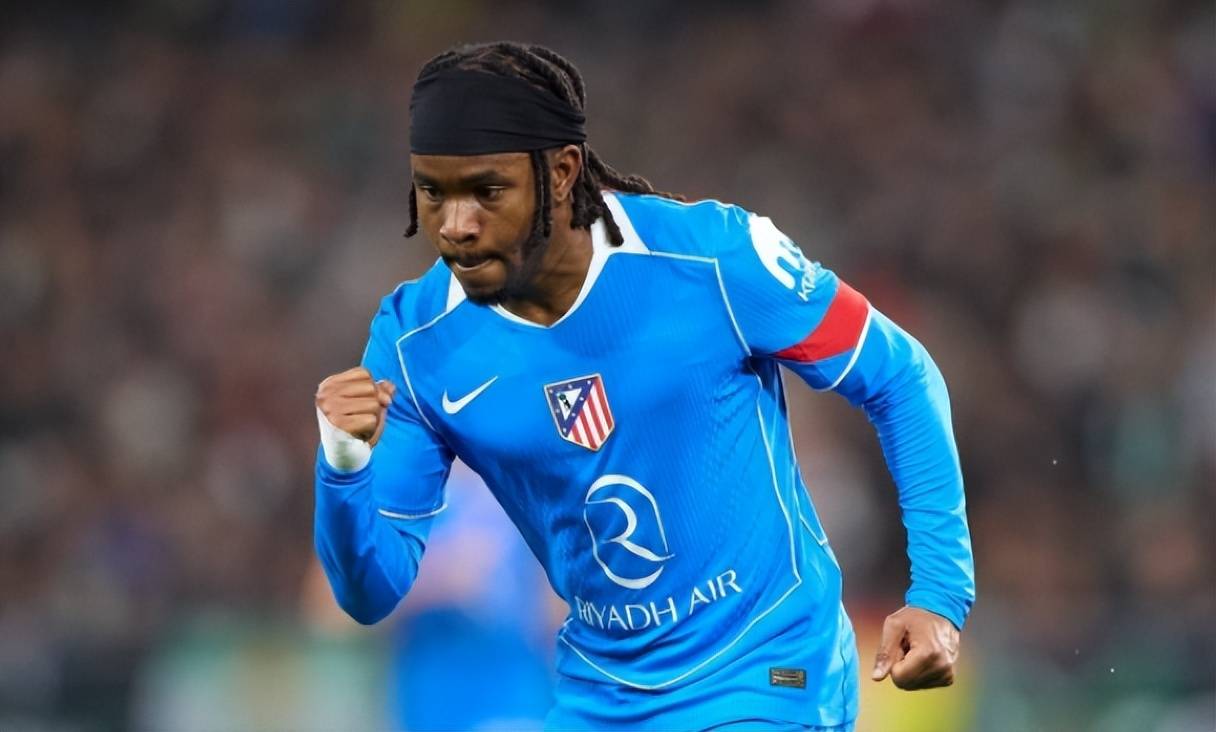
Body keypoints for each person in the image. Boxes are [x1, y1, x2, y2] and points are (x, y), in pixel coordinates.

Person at [313, 41, 975, 731]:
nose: (456, 225)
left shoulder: (713, 257)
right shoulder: (415, 343)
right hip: (603, 696)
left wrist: (939, 593)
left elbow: (900, 375)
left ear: (562, 172)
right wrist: (344, 463)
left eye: (487, 191)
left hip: (766, 672)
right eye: (433, 192)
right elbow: (371, 591)